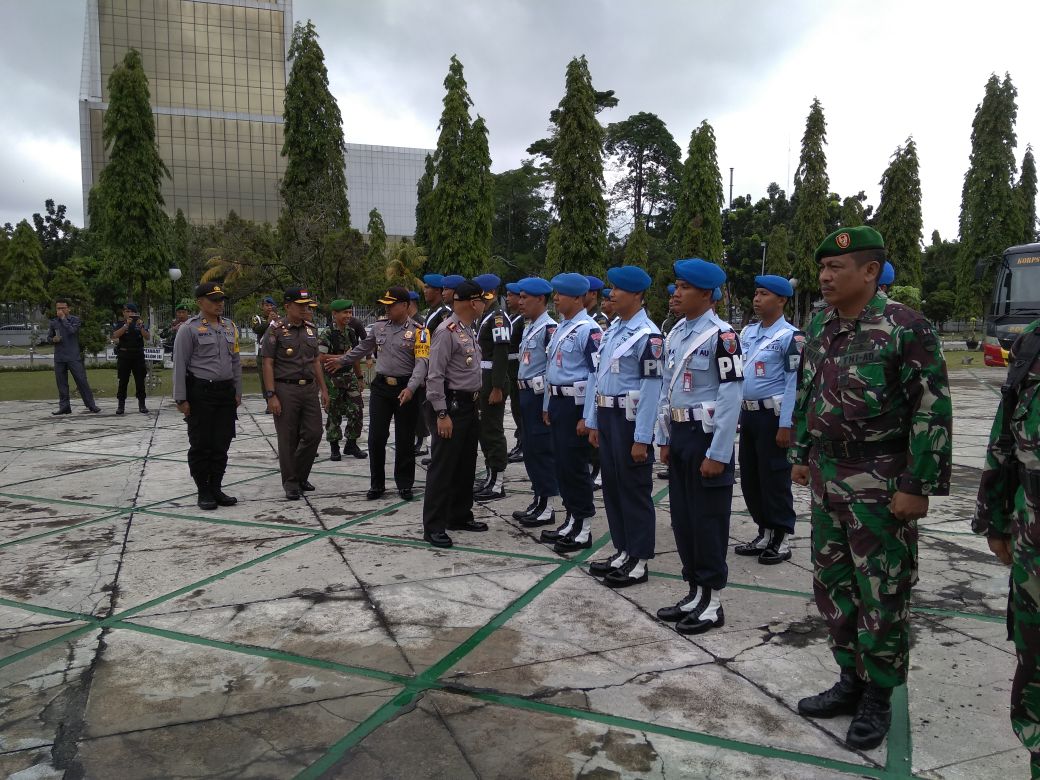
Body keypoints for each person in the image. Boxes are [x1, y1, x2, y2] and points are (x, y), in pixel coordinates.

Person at [790, 226, 951, 751]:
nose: (825, 276)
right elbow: (807, 389)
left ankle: (879, 695)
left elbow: (931, 409)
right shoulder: (820, 325)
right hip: (827, 478)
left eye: (836, 268)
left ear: (870, 272)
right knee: (833, 585)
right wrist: (800, 453)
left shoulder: (907, 328)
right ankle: (849, 679)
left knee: (881, 591)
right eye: (822, 269)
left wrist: (917, 485)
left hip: (882, 483)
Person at [656, 258, 743, 635]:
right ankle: (695, 591)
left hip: (707, 437)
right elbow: (665, 389)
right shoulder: (677, 333)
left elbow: (731, 394)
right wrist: (663, 437)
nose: (677, 293)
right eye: (677, 286)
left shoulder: (723, 337)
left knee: (708, 519)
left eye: (684, 287)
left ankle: (713, 601)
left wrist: (719, 453)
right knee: (684, 518)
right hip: (680, 435)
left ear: (706, 294)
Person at [975, 321, 1040, 779]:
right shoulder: (1033, 342)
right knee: (1034, 668)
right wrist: (993, 517)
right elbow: (1004, 439)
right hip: (1033, 543)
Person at [584, 266, 664, 587]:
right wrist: (593, 421)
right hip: (607, 416)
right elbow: (598, 378)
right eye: (611, 288)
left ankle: (639, 559)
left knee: (634, 490)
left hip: (630, 421)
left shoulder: (650, 336)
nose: (610, 294)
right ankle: (622, 549)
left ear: (636, 295)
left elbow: (651, 390)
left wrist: (642, 437)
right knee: (614, 488)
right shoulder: (614, 329)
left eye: (617, 289)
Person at [326, 286, 429, 501]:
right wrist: (342, 360)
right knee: (376, 438)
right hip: (381, 388)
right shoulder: (380, 327)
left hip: (406, 388)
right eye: (386, 305)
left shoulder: (420, 331)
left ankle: (404, 484)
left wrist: (411, 388)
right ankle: (377, 484)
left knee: (404, 438)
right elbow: (363, 348)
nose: (387, 309)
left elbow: (422, 364)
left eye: (391, 305)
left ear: (405, 306)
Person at [734, 275, 802, 565]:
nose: (757, 299)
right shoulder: (748, 333)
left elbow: (792, 383)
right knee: (751, 477)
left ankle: (781, 536)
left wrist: (786, 424)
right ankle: (764, 530)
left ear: (782, 300)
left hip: (772, 418)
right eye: (756, 293)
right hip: (748, 415)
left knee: (774, 477)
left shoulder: (791, 337)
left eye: (764, 294)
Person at [422, 280, 488, 548]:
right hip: (451, 407)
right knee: (443, 468)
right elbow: (434, 376)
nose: (484, 305)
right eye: (482, 300)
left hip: (470, 406)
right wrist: (441, 413)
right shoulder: (445, 332)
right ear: (473, 302)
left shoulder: (467, 330)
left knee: (465, 465)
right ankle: (434, 525)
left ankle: (459, 515)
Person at [542, 273, 602, 553]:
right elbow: (551, 371)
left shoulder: (588, 330)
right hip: (557, 402)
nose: (555, 298)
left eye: (560, 294)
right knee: (562, 466)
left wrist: (587, 417)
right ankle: (571, 519)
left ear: (578, 298)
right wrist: (546, 406)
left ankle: (584, 527)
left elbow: (595, 374)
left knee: (576, 468)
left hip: (575, 406)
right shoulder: (562, 328)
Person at [172, 282, 242, 509]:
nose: (219, 304)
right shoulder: (189, 329)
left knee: (221, 443)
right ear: (200, 302)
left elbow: (235, 362)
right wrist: (181, 399)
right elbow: (180, 364)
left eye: (221, 300)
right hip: (200, 392)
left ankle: (217, 487)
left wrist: (237, 392)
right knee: (201, 443)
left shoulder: (230, 327)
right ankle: (204, 490)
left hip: (225, 393)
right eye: (214, 300)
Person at [261, 287, 330, 500]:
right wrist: (271, 394)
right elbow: (268, 363)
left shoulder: (311, 329)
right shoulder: (276, 330)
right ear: (287, 306)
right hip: (285, 388)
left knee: (314, 433)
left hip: (309, 388)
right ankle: (291, 482)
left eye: (306, 305)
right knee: (288, 438)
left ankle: (299, 475)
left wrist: (324, 390)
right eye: (299, 306)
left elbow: (316, 361)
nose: (304, 309)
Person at [512, 277, 559, 530]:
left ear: (540, 299)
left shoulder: (550, 329)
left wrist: (546, 405)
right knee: (530, 449)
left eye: (525, 297)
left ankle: (547, 505)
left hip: (540, 396)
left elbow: (553, 369)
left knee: (542, 450)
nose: (520, 302)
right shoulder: (530, 326)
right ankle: (538, 498)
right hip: (526, 395)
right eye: (519, 297)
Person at [473, 273, 512, 501]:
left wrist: (497, 386)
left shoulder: (498, 317)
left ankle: (498, 482)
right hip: (483, 377)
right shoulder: (486, 316)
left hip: (492, 380)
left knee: (493, 431)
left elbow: (501, 353)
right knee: (484, 431)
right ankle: (490, 476)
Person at [319, 299, 368, 461]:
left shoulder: (351, 332)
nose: (348, 316)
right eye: (344, 313)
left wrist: (360, 377)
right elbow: (320, 357)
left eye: (349, 312)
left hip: (349, 377)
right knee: (334, 412)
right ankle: (334, 447)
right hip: (333, 378)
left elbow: (355, 358)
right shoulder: (327, 334)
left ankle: (351, 444)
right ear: (335, 314)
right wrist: (342, 357)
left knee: (357, 410)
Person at [47, 299, 100, 415]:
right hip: (59, 357)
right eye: (58, 308)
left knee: (81, 381)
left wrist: (63, 319)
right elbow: (49, 338)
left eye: (62, 308)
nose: (60, 310)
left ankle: (91, 405)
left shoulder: (75, 320)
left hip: (73, 356)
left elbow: (72, 331)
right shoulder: (53, 322)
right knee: (61, 383)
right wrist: (53, 340)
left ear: (68, 308)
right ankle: (64, 407)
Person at [111, 302, 151, 415]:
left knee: (140, 381)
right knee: (123, 381)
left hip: (138, 355)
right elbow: (115, 335)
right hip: (124, 355)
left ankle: (142, 404)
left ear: (135, 313)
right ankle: (121, 405)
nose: (129, 314)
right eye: (127, 312)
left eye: (131, 312)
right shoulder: (120, 324)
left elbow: (147, 337)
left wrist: (141, 326)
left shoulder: (140, 323)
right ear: (123, 313)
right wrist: (126, 325)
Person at [505, 282, 525, 464]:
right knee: (515, 408)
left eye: (511, 295)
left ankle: (523, 443)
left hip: (518, 369)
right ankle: (520, 441)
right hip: (510, 370)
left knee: (520, 408)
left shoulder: (523, 321)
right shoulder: (512, 318)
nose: (508, 298)